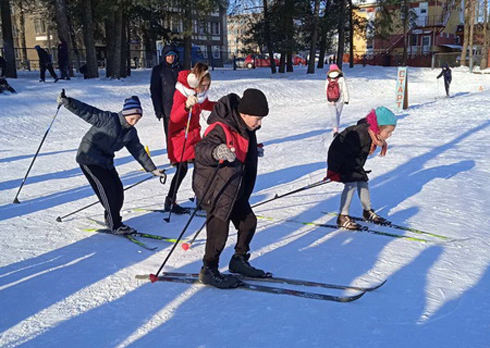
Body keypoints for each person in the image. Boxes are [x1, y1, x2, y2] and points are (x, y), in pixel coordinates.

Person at [57, 91, 167, 234]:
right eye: (132, 118)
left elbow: (138, 151)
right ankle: (115, 224)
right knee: (107, 190)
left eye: (137, 119)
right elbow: (87, 111)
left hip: (106, 161)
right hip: (88, 158)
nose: (134, 122)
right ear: (125, 113)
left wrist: (152, 169)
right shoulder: (108, 119)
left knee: (118, 191)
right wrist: (68, 102)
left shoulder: (130, 133)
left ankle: (111, 218)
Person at [193, 88, 271, 289]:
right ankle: (208, 270)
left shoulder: (247, 129)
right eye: (258, 118)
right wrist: (216, 151)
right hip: (217, 189)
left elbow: (240, 149)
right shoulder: (221, 127)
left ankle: (238, 260)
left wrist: (254, 151)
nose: (260, 123)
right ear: (244, 114)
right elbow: (200, 149)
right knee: (218, 233)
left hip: (235, 188)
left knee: (248, 222)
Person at [325, 106, 397, 230]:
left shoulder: (371, 134)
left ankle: (367, 211)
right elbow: (339, 151)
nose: (389, 135)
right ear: (378, 128)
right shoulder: (361, 134)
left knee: (363, 182)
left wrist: (358, 168)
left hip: (353, 162)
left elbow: (359, 155)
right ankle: (342, 216)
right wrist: (335, 170)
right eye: (388, 132)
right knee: (351, 183)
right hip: (340, 160)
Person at [165, 62, 216, 214]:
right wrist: (186, 106)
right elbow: (174, 118)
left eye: (208, 85)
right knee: (182, 169)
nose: (205, 89)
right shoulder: (181, 92)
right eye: (203, 85)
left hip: (194, 135)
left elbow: (207, 104)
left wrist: (223, 105)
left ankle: (200, 198)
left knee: (202, 167)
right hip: (180, 135)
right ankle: (170, 200)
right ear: (195, 82)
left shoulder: (200, 95)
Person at [150, 46, 181, 147]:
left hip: (181, 107)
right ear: (164, 57)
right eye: (168, 56)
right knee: (170, 134)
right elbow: (155, 90)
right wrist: (158, 109)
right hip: (167, 107)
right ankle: (173, 157)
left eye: (172, 55)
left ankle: (185, 155)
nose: (171, 58)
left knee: (182, 133)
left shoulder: (180, 69)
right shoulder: (158, 70)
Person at [325, 64, 349, 137]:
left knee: (333, 115)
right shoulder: (341, 78)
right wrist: (346, 99)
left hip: (330, 100)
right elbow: (344, 89)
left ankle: (335, 129)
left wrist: (328, 99)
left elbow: (325, 89)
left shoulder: (328, 78)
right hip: (340, 99)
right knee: (337, 115)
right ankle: (336, 130)